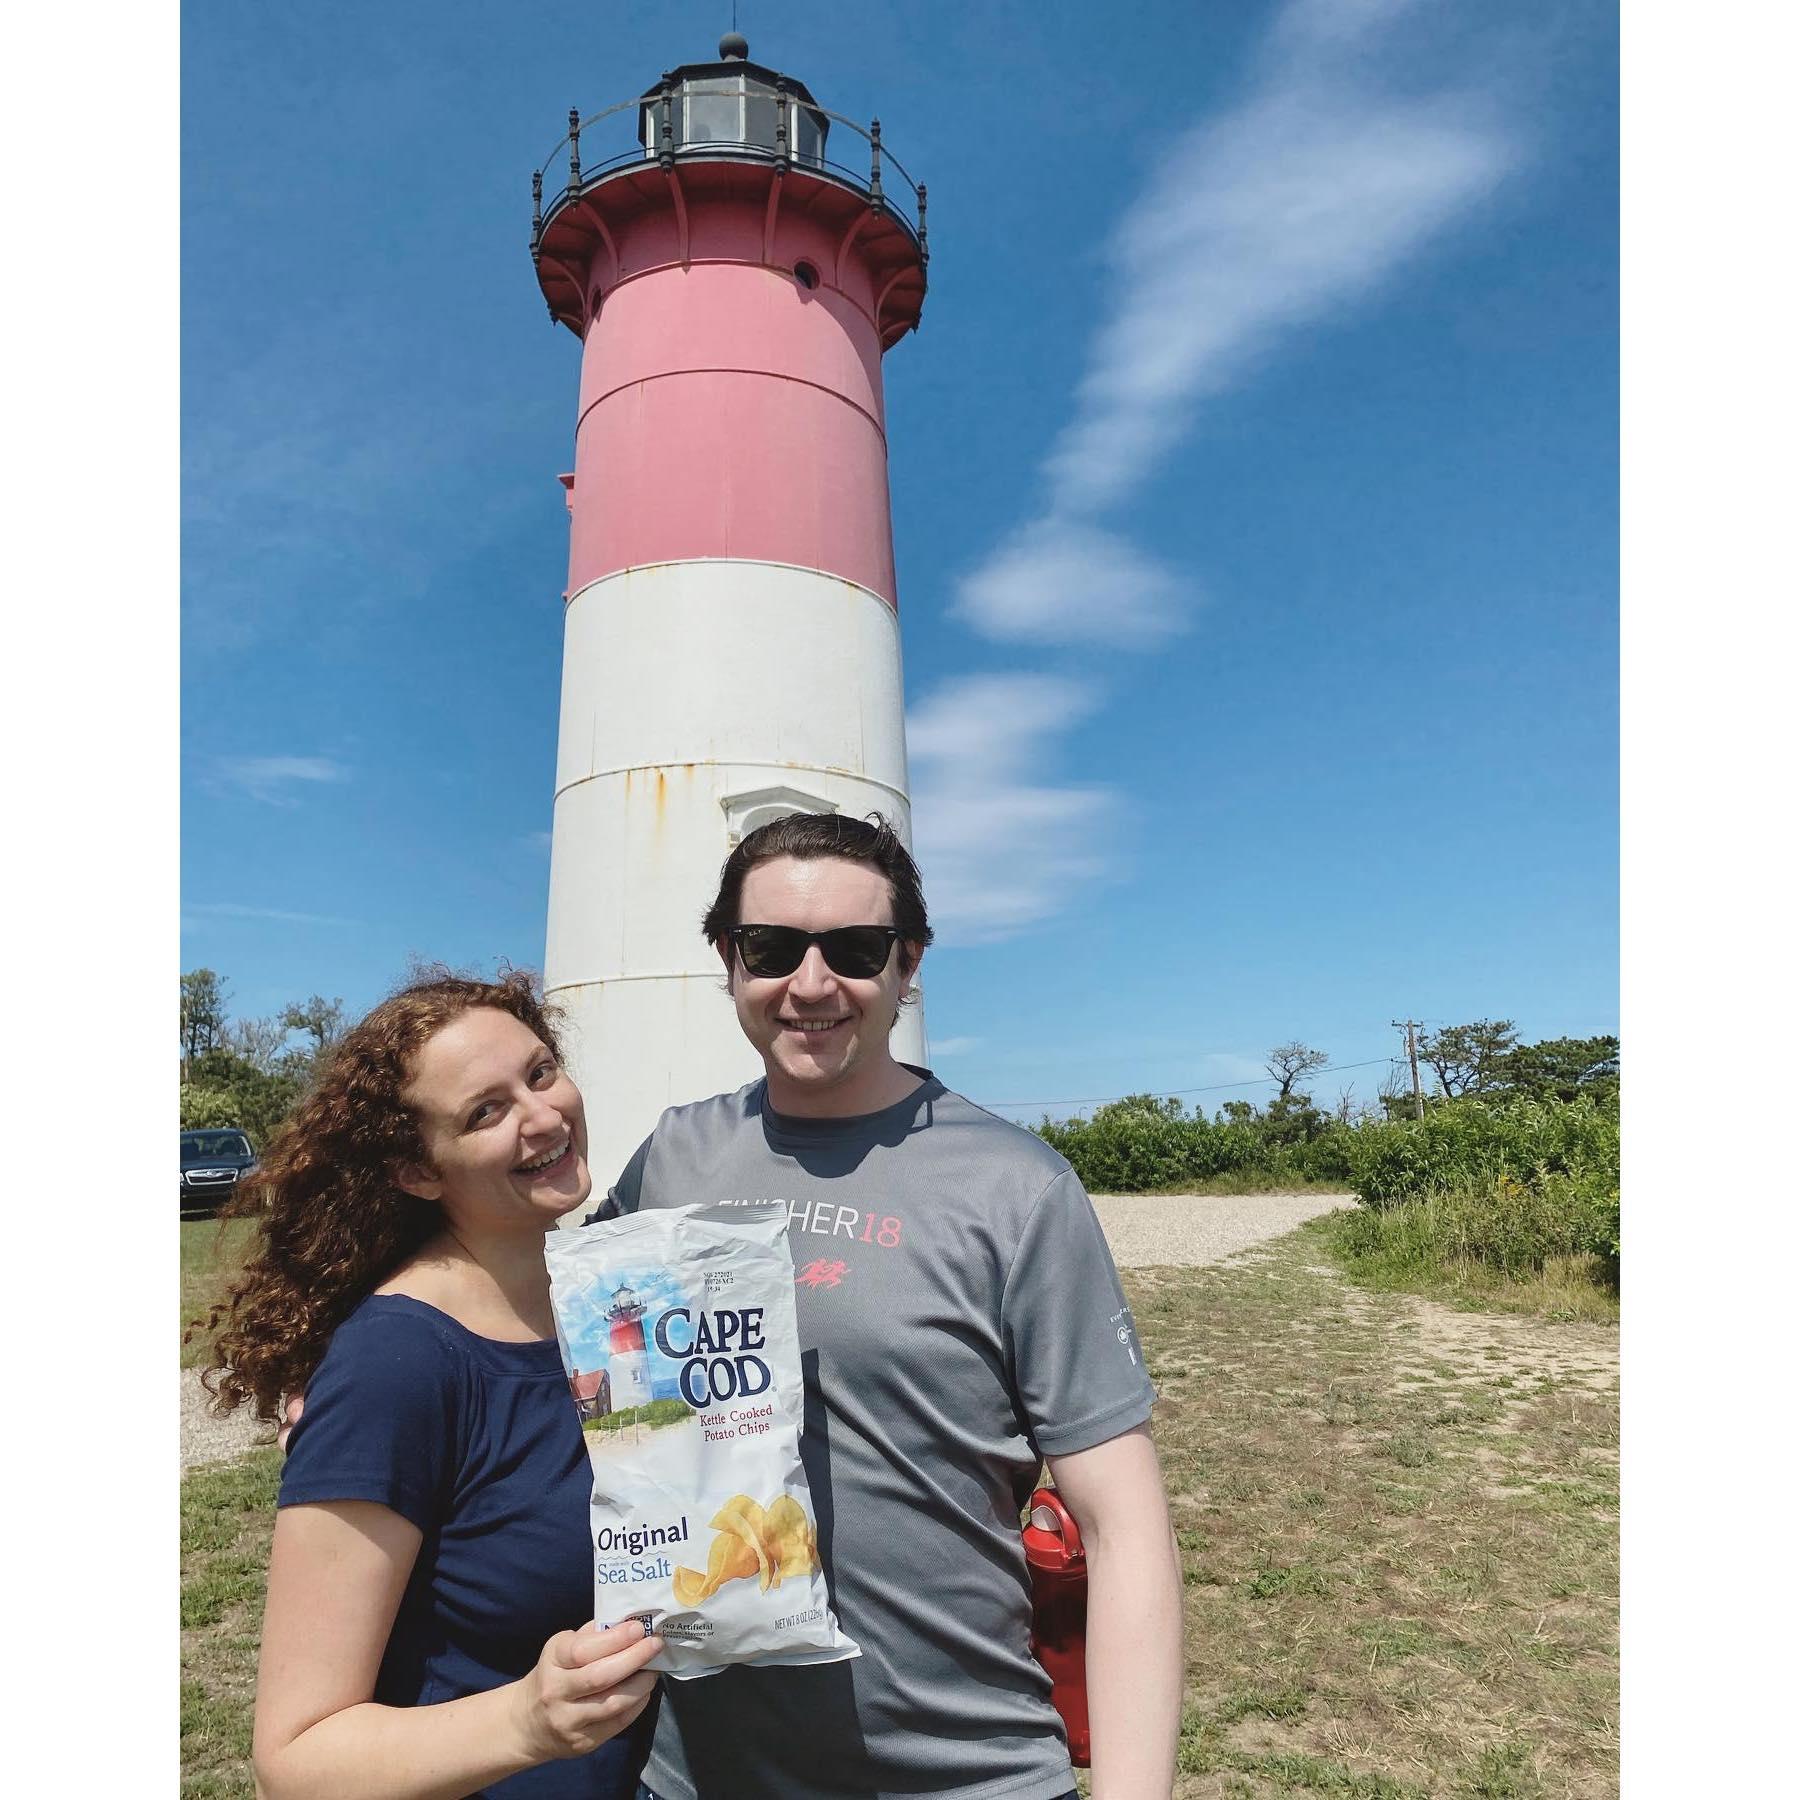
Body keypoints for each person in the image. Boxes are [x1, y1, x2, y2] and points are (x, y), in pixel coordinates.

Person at [592, 812, 1184, 1800]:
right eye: (771, 947)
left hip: (965, 1774)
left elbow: (1125, 1532)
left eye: (857, 950)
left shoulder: (1016, 1189)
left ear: (908, 965)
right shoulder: (671, 1158)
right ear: (728, 961)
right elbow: (561, 1355)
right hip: (696, 1775)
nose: (811, 984)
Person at [200, 971, 662, 1800]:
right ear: (417, 1171)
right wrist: (526, 1721)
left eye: (541, 1071)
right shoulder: (396, 1364)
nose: (544, 1115)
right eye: (486, 1112)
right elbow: (295, 1756)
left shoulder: (594, 1301)